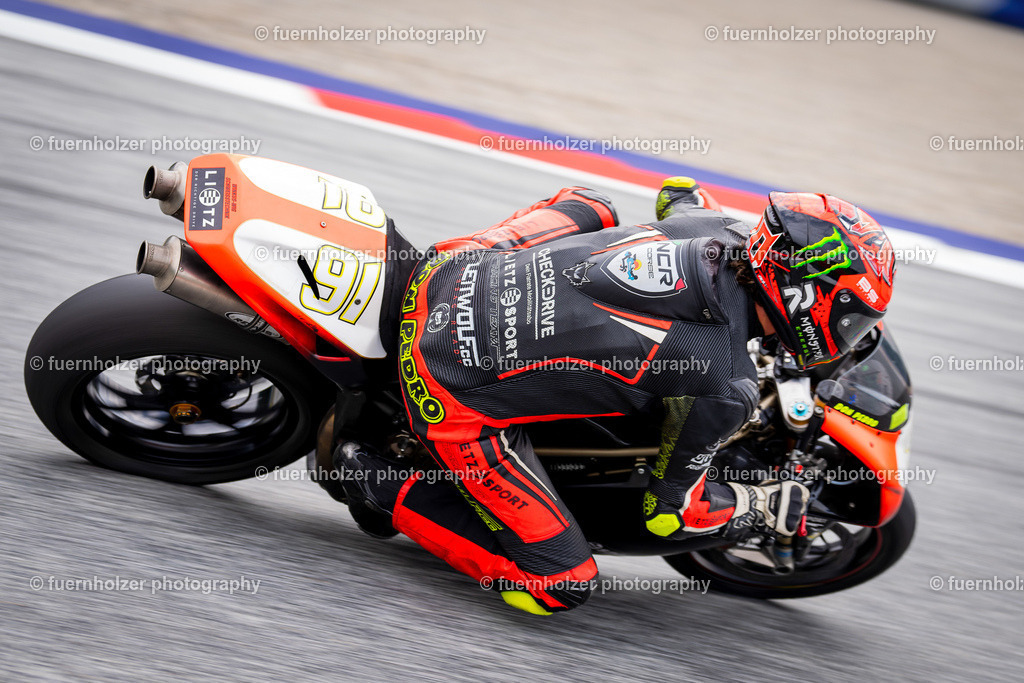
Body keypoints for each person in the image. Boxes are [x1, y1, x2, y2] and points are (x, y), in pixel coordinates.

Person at [336, 177, 896, 614]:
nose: (849, 334)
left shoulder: (716, 227)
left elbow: (677, 195)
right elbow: (667, 518)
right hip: (444, 387)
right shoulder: (726, 386)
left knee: (591, 203)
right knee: (557, 585)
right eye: (849, 319)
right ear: (806, 299)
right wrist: (758, 507)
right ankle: (376, 481)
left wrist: (694, 201)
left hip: (447, 271)